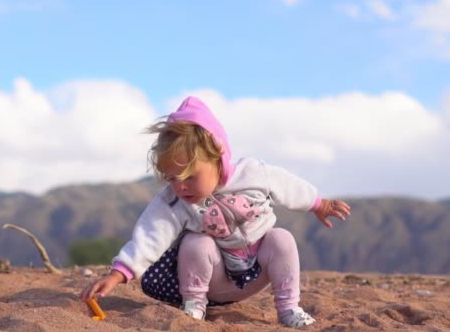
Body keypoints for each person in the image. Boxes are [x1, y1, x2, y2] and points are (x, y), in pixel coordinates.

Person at [81, 96, 351, 328]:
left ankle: (288, 308)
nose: (180, 186)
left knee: (281, 238)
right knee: (195, 242)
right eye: (171, 177)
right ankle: (194, 306)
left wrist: (319, 204)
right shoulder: (174, 202)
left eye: (189, 176)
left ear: (217, 156)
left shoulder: (253, 174)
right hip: (212, 281)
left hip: (256, 273)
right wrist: (119, 274)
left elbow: (287, 185)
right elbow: (151, 234)